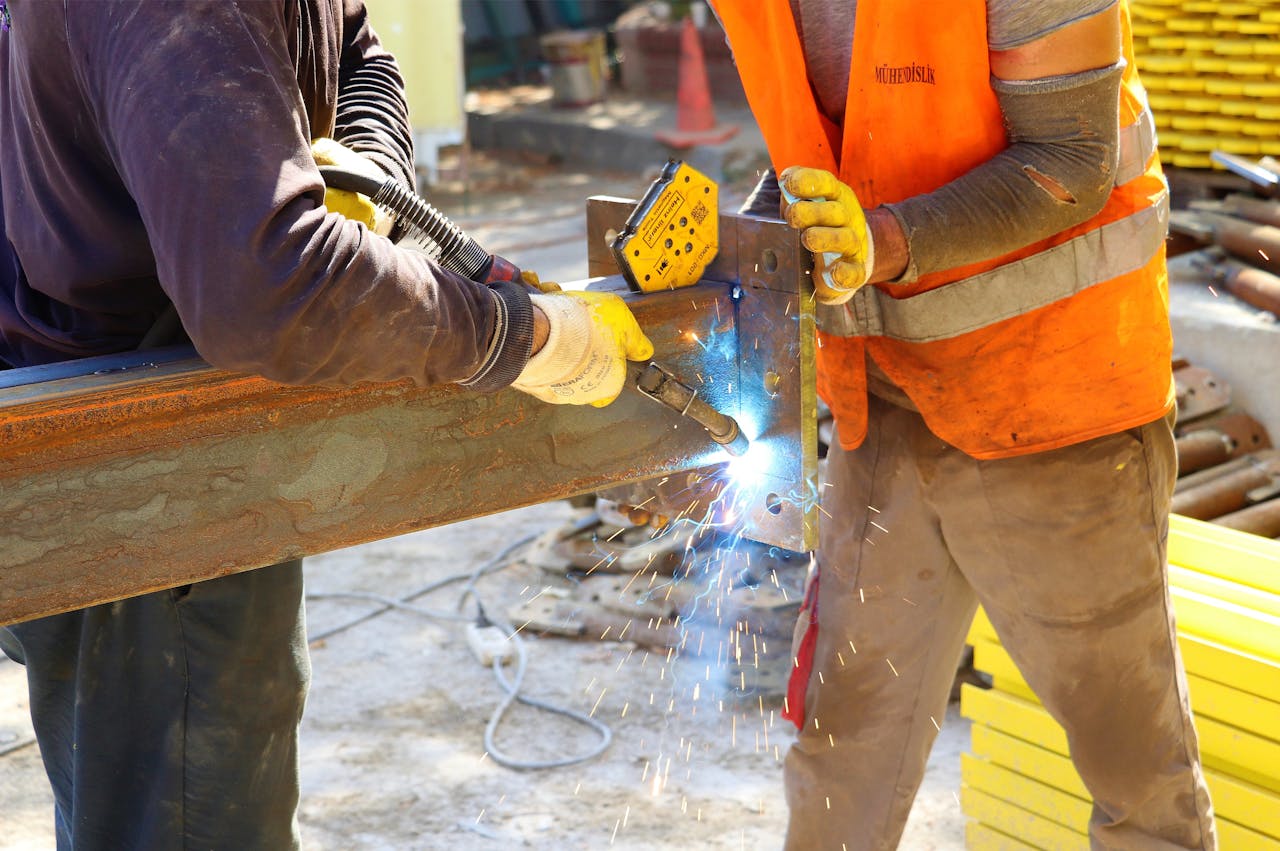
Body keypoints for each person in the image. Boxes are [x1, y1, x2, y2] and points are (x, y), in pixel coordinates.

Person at [0, 1, 651, 848]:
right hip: (142, 471)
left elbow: (351, 45)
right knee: (186, 818)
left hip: (190, 428)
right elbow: (262, 293)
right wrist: (516, 338)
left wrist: (368, 182)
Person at [711, 1, 1217, 848]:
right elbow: (833, 133)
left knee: (1136, 777)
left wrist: (881, 240)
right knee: (844, 755)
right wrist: (752, 241)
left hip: (1051, 399)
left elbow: (1070, 160)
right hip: (884, 401)